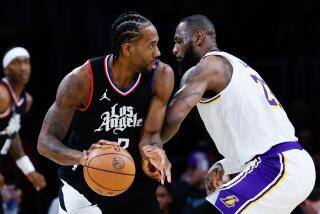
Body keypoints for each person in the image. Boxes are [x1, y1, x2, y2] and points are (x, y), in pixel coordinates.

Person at [144, 15, 316, 213]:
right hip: (287, 165)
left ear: (198, 38)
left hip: (277, 166)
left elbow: (171, 119)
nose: (174, 50)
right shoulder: (237, 65)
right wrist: (226, 164)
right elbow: (257, 131)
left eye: (178, 41)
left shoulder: (206, 68)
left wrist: (139, 144)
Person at [37, 12, 174, 214]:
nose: (158, 52)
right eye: (151, 45)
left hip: (134, 184)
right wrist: (85, 158)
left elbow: (151, 134)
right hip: (84, 188)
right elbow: (45, 142)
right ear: (128, 48)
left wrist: (154, 151)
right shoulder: (82, 79)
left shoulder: (161, 75)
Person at [0, 47, 47, 208]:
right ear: (6, 69)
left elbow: (11, 133)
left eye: (26, 62)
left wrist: (28, 170)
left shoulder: (26, 101)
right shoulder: (2, 95)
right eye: (16, 63)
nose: (22, 67)